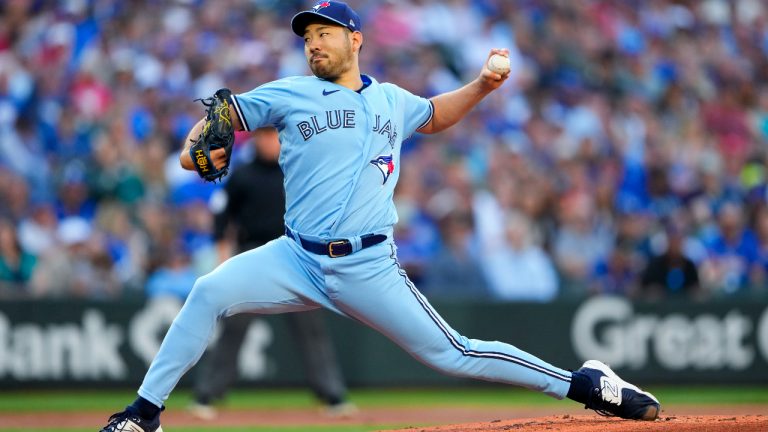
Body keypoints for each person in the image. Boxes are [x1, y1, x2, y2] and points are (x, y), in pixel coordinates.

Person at [100, 2, 660, 431]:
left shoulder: (392, 99)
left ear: (355, 39)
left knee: (455, 356)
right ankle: (143, 413)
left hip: (367, 265)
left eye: (325, 33)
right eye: (308, 36)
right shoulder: (290, 94)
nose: (314, 43)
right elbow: (220, 114)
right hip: (295, 256)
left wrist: (484, 86)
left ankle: (585, 385)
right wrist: (189, 151)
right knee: (207, 291)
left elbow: (436, 115)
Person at [188, 127, 354, 419]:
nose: (268, 141)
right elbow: (221, 215)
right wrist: (223, 255)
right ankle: (207, 395)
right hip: (253, 254)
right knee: (234, 326)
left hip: (295, 255)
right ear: (254, 140)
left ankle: (332, 395)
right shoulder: (242, 175)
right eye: (262, 136)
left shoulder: (296, 170)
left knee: (311, 328)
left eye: (272, 136)